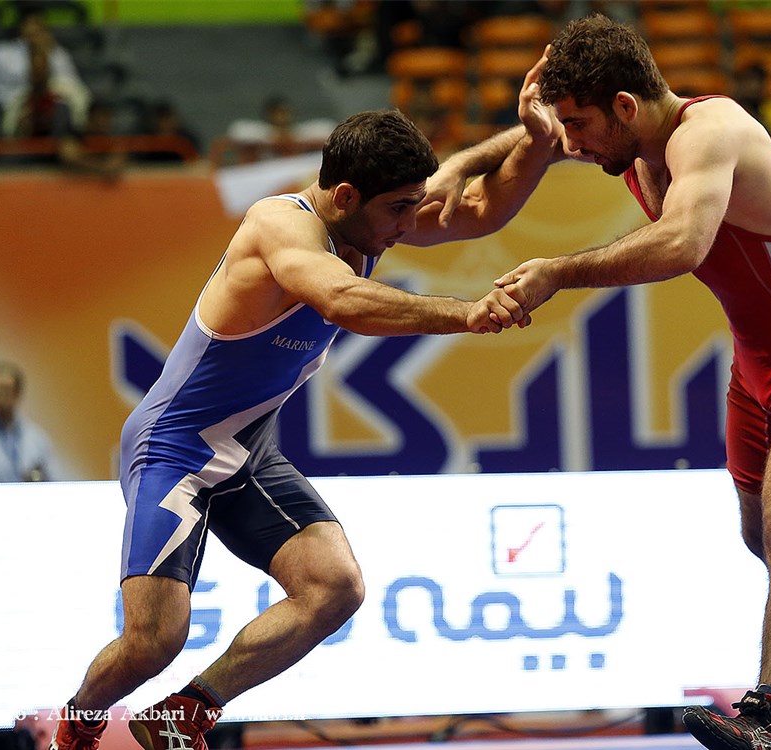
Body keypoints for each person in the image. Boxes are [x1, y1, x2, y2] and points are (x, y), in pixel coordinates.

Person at [48, 90, 561, 750]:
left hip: (247, 452)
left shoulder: (370, 218)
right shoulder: (278, 225)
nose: (410, 224)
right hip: (175, 450)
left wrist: (538, 140)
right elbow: (343, 299)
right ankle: (77, 723)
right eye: (398, 210)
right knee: (154, 641)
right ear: (345, 196)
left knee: (334, 587)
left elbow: (483, 209)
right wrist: (466, 313)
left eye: (411, 206)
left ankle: (184, 714)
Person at [481, 16, 771, 750]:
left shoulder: (711, 131)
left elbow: (682, 243)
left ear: (625, 107)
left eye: (578, 125)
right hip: (756, 362)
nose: (573, 144)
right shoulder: (628, 145)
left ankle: (768, 713)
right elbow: (493, 175)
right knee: (763, 535)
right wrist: (516, 140)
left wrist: (557, 272)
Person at [0, 5, 87, 124]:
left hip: (46, 105)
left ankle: (78, 129)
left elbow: (71, 83)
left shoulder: (56, 52)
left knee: (69, 99)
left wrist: (47, 53)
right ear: (21, 27)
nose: (33, 29)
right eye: (29, 25)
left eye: (37, 24)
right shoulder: (2, 52)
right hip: (6, 106)